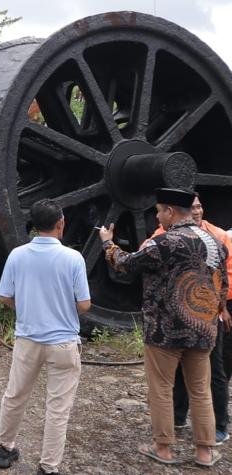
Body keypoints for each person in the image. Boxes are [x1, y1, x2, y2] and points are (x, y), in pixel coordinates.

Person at [104, 187, 228, 468]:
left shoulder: (162, 243)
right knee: (200, 389)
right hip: (203, 330)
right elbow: (222, 287)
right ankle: (205, 452)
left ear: (171, 212)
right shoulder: (216, 243)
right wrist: (214, 317)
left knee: (161, 388)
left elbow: (124, 264)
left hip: (164, 331)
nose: (158, 218)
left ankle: (163, 448)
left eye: (159, 211)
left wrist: (107, 244)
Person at [0, 199, 90, 475]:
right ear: (61, 223)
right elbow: (84, 305)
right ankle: (48, 467)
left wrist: (26, 307)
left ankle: (4, 449)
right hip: (63, 343)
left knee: (15, 395)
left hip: (28, 339)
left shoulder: (17, 255)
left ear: (34, 226)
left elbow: (4, 296)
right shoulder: (73, 258)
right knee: (58, 407)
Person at [150, 195, 232, 442]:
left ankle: (218, 426)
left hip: (202, 315)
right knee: (184, 376)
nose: (196, 211)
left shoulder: (218, 237)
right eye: (192, 207)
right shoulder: (160, 236)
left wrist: (223, 307)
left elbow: (226, 276)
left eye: (199, 206)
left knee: (212, 372)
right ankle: (181, 421)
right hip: (191, 317)